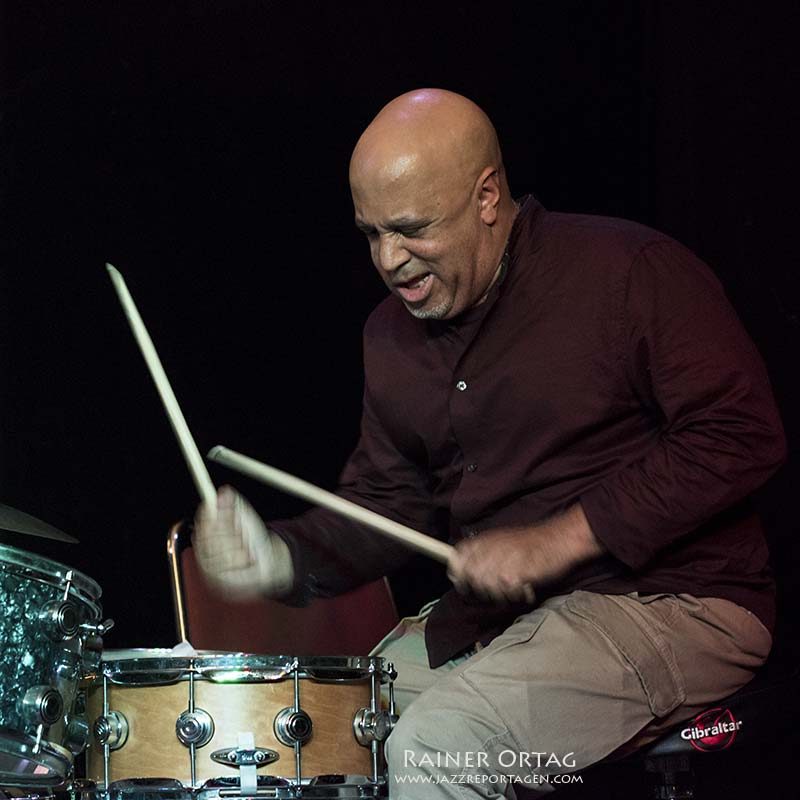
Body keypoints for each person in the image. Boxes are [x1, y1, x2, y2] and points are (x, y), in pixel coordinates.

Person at [194, 89, 786, 797]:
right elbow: (389, 503)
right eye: (370, 232)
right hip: (503, 622)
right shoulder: (388, 335)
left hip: (672, 602)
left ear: (486, 195)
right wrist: (282, 556)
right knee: (307, 737)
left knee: (441, 747)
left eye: (411, 229)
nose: (389, 259)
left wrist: (562, 538)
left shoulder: (629, 271)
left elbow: (740, 433)